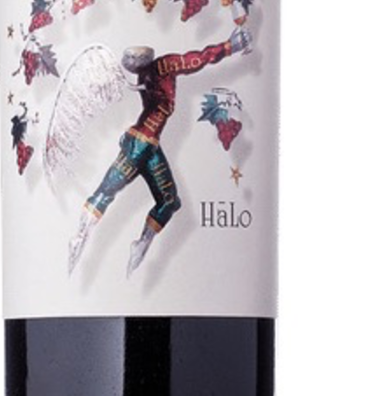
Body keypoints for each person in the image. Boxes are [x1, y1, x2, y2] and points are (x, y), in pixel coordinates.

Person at [68, 26, 252, 276]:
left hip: (148, 145)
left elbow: (200, 59)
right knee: (107, 191)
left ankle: (139, 247)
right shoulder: (164, 66)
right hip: (140, 144)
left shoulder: (144, 77)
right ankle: (79, 239)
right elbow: (200, 58)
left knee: (169, 201)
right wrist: (230, 46)